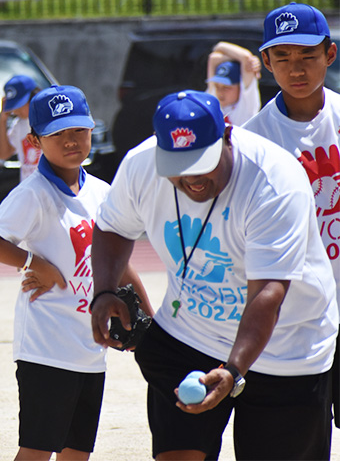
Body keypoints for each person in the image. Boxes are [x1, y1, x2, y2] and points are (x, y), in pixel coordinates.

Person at [90, 89, 338, 461]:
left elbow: (268, 293)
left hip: (286, 346)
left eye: (202, 162)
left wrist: (233, 371)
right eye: (179, 165)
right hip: (190, 334)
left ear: (226, 135)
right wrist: (105, 290)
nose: (192, 179)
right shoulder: (141, 165)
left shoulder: (273, 180)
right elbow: (113, 227)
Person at [0, 84, 146, 460]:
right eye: (58, 133)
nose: (71, 141)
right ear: (35, 139)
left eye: (78, 130)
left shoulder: (101, 192)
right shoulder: (34, 193)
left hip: (90, 347)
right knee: (36, 451)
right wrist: (39, 266)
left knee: (77, 452)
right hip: (46, 348)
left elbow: (120, 263)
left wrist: (146, 321)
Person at [241, 1, 340, 426]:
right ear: (265, 62)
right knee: (301, 438)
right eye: (282, 58)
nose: (296, 69)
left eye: (307, 56)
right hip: (299, 317)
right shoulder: (251, 142)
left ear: (330, 55)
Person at [0, 75, 43, 182]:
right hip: (29, 189)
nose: (15, 110)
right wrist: (3, 120)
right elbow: (3, 154)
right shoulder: (18, 124)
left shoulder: (47, 121)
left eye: (20, 104)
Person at [204, 41, 261, 125]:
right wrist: (237, 59)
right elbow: (213, 58)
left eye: (226, 87)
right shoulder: (214, 98)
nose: (220, 92)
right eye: (217, 86)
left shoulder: (246, 105)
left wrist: (246, 61)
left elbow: (245, 57)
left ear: (240, 86)